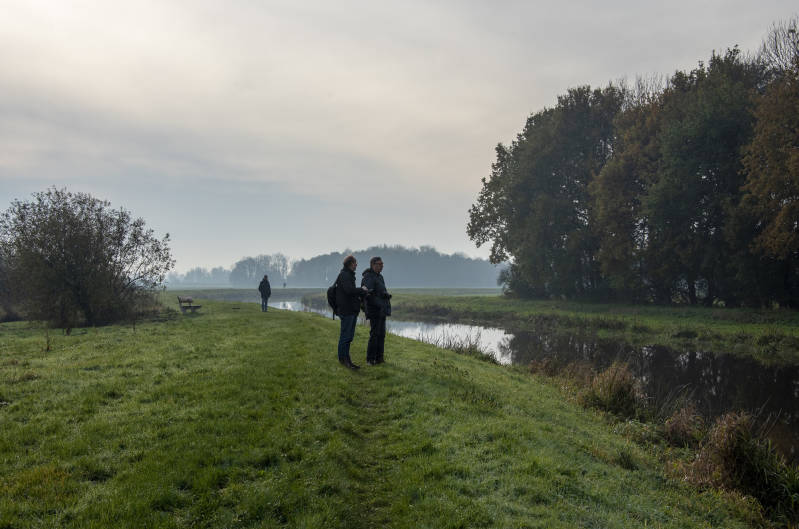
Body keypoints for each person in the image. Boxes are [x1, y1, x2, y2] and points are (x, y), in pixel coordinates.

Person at [335, 255, 368, 369]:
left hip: (351, 310)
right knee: (345, 336)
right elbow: (349, 291)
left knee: (348, 336)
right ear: (350, 263)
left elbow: (350, 291)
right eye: (355, 263)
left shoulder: (348, 275)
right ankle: (344, 359)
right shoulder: (345, 275)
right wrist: (362, 290)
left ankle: (346, 359)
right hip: (347, 310)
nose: (356, 265)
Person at [361, 256, 391, 365]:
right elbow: (367, 294)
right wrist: (379, 301)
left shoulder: (380, 277)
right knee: (374, 335)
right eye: (379, 264)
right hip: (374, 310)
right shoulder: (368, 277)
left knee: (381, 334)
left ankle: (379, 358)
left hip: (381, 309)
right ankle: (370, 359)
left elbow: (378, 291)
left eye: (382, 264)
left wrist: (384, 296)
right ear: (373, 265)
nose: (382, 266)